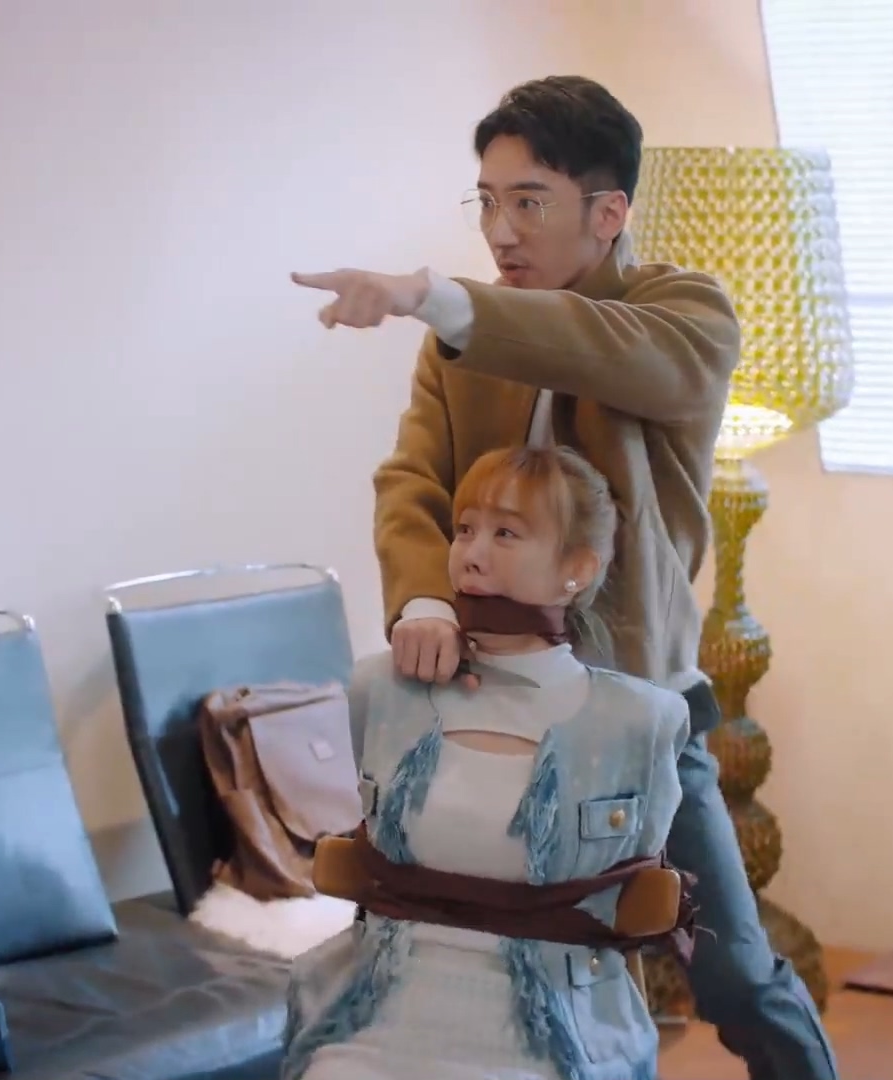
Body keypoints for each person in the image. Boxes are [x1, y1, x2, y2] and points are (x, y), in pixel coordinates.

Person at [291, 76, 840, 1080]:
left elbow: (601, 347)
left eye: (529, 202)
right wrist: (423, 597)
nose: (500, 229)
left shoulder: (687, 315)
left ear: (609, 212)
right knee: (479, 970)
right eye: (488, 201)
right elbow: (413, 483)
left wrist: (432, 296)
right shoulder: (462, 341)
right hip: (483, 704)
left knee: (733, 976)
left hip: (639, 711)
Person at [284, 444, 693, 1080]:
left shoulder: (640, 723)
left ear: (576, 569)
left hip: (547, 1031)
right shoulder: (381, 690)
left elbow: (628, 896)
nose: (472, 553)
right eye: (465, 528)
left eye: (506, 533)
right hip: (382, 1011)